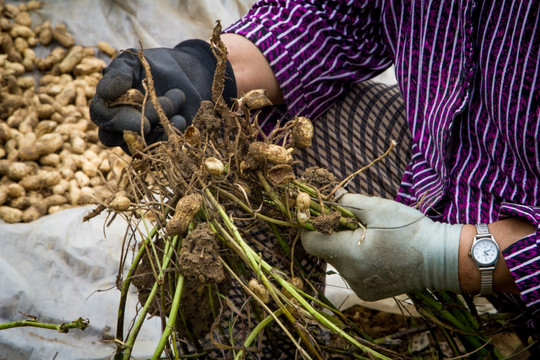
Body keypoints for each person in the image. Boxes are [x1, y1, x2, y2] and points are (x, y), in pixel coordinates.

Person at [90, 0, 540, 355]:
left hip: (526, 252)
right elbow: (334, 15)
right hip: (457, 164)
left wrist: (443, 256)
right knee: (249, 152)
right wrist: (211, 70)